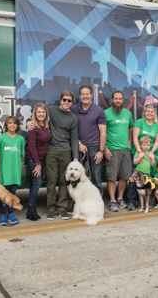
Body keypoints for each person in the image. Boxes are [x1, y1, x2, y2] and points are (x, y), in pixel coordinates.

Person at [42, 91, 79, 220]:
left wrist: (75, 158)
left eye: (69, 101)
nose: (66, 103)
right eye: (64, 100)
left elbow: (74, 139)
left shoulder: (73, 118)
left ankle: (62, 208)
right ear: (60, 100)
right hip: (51, 150)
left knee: (64, 180)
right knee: (51, 180)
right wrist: (30, 123)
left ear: (72, 103)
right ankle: (51, 209)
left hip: (65, 151)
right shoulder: (51, 110)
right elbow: (39, 116)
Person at [71, 85, 107, 196]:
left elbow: (103, 132)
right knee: (76, 177)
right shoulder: (73, 109)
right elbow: (70, 129)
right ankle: (77, 203)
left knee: (96, 177)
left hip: (94, 147)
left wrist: (101, 151)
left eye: (87, 94)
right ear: (80, 95)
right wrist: (79, 143)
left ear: (91, 95)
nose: (85, 96)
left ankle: (98, 204)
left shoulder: (99, 110)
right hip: (79, 147)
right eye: (83, 94)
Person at [104, 91, 134, 212]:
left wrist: (130, 141)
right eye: (115, 98)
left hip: (125, 150)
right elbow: (101, 131)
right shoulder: (105, 113)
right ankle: (112, 201)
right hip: (112, 149)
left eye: (120, 99)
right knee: (111, 177)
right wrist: (105, 148)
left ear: (123, 100)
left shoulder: (127, 113)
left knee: (124, 176)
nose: (118, 101)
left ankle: (120, 198)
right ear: (111, 100)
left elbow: (131, 126)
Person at [127, 104, 158, 210]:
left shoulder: (156, 125)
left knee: (146, 179)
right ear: (145, 113)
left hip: (148, 154)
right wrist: (139, 151)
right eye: (148, 111)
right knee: (135, 178)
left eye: (152, 111)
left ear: (154, 113)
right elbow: (135, 138)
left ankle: (146, 203)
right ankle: (132, 201)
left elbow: (157, 141)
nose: (150, 113)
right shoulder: (139, 122)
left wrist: (151, 152)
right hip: (137, 152)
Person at [25, 103, 52, 221]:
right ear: (35, 114)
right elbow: (31, 147)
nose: (41, 114)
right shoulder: (33, 127)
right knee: (37, 183)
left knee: (34, 184)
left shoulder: (46, 126)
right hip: (33, 158)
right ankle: (30, 210)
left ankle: (33, 208)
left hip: (41, 158)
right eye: (39, 112)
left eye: (43, 112)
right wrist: (37, 163)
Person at [0, 116, 25, 226]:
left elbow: (20, 156)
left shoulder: (20, 139)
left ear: (18, 125)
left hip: (15, 172)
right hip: (5, 171)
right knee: (4, 196)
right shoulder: (2, 138)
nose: (12, 125)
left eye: (14, 123)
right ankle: (3, 215)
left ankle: (11, 214)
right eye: (10, 123)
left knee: (13, 194)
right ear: (6, 125)